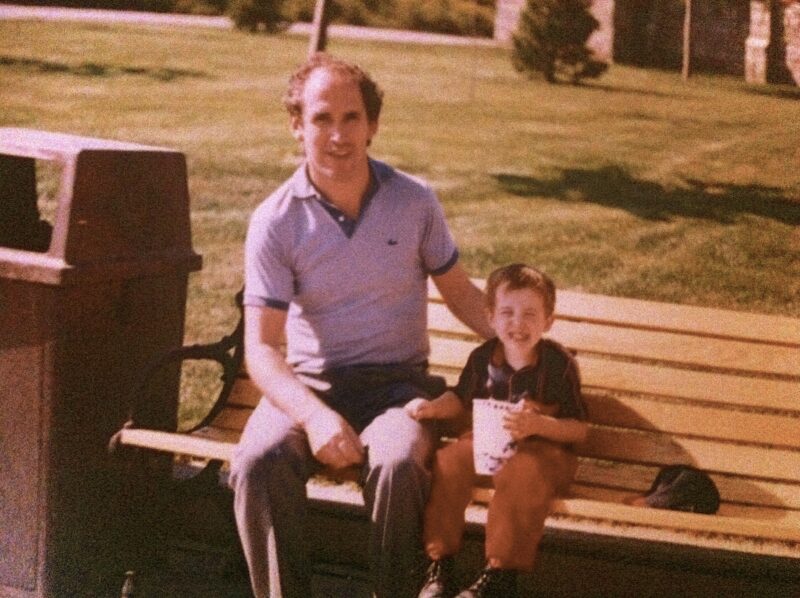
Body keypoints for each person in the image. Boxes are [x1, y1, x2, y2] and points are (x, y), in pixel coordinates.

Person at [228, 52, 493, 598]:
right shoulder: (275, 220)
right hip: (308, 386)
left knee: (397, 460)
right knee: (257, 459)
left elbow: (463, 293)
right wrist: (315, 416)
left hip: (397, 388)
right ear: (297, 125)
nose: (338, 135)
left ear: (373, 125)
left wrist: (523, 346)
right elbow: (262, 348)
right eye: (322, 118)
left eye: (352, 118)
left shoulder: (414, 201)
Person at [406, 264, 589, 598]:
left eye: (530, 314)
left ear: (548, 320)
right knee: (448, 461)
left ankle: (500, 574)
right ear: (490, 316)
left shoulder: (558, 365)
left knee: (522, 472)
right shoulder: (482, 360)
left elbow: (579, 430)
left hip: (544, 457)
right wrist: (433, 407)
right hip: (489, 448)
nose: (517, 324)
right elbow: (459, 400)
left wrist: (540, 425)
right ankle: (440, 565)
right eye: (507, 312)